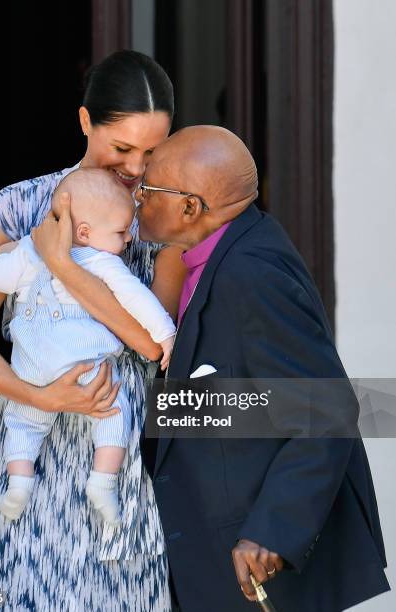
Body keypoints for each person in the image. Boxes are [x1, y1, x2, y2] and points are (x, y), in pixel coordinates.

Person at [0, 50, 186, 611]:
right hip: (30, 447)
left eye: (153, 151)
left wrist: (67, 267)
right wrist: (38, 396)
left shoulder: (160, 222)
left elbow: (151, 350)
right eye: (122, 148)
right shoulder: (19, 207)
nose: (135, 167)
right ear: (84, 122)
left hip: (120, 459)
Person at [137, 125, 390, 611]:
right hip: (212, 555)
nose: (138, 198)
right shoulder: (213, 255)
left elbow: (327, 411)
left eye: (149, 189)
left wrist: (271, 533)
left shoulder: (252, 272)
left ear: (191, 207)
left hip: (255, 565)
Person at [0, 168, 175, 524]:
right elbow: (140, 302)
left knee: (23, 422)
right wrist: (167, 336)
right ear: (86, 233)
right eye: (121, 232)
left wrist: (21, 252)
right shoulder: (103, 261)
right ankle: (102, 484)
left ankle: (19, 482)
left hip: (30, 367)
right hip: (84, 363)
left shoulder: (32, 249)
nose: (128, 241)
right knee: (113, 412)